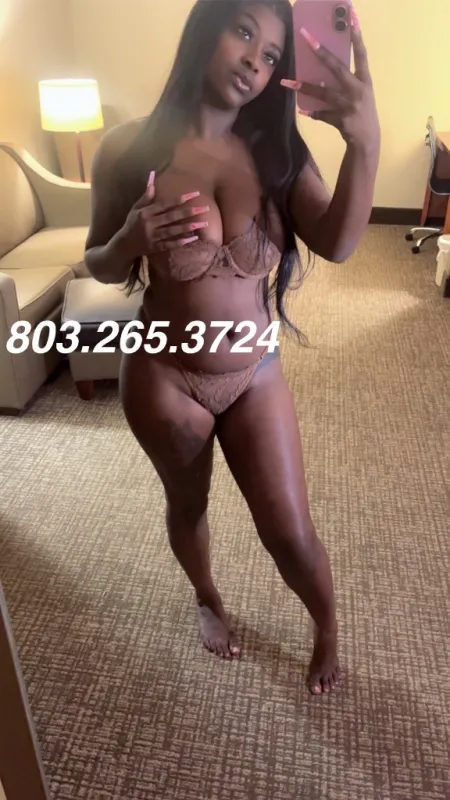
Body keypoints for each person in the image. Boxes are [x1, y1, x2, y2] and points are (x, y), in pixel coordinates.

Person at [84, 0, 380, 695]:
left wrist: (365, 143)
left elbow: (338, 243)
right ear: (205, 29)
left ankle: (326, 627)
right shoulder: (126, 149)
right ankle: (207, 597)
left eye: (272, 54)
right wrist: (129, 239)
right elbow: (97, 261)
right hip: (164, 376)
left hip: (254, 376)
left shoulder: (278, 153)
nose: (254, 59)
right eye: (243, 31)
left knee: (290, 532)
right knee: (188, 505)